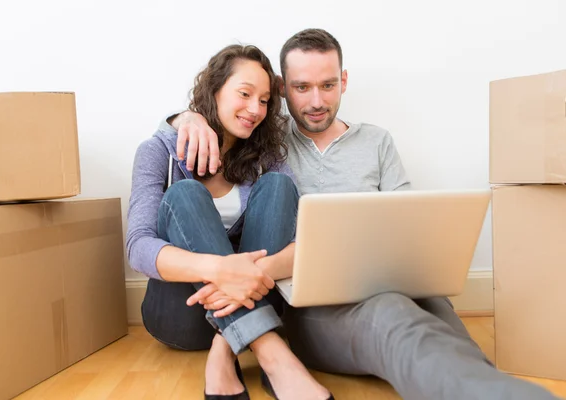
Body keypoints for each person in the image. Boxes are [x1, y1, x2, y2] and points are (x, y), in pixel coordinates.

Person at [165, 29, 560, 400]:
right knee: (393, 318)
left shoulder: (377, 141)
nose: (317, 101)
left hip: (391, 276)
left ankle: (483, 384)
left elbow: (411, 221)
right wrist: (188, 117)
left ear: (344, 80)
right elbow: (217, 122)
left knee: (439, 313)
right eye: (302, 88)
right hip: (312, 300)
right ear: (283, 90)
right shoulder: (267, 141)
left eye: (328, 85)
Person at [126, 44, 333, 400]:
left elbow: (307, 247)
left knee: (279, 186)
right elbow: (138, 246)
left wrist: (249, 273)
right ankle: (274, 355)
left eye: (265, 100)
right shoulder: (158, 150)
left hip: (257, 295)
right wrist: (220, 270)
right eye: (245, 93)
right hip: (183, 315)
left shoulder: (267, 158)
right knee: (185, 194)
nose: (255, 109)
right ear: (215, 89)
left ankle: (224, 351)